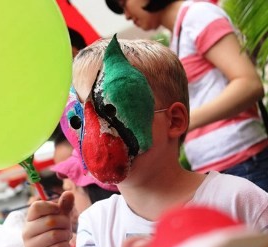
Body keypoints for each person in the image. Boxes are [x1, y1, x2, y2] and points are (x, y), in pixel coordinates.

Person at [22, 37, 268, 247]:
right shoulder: (96, 225)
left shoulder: (240, 200)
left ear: (174, 121)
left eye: (113, 108)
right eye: (78, 120)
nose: (94, 135)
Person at [106, 0, 268, 191]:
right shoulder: (180, 33)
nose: (125, 15)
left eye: (123, 3)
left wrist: (181, 121)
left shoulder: (198, 15)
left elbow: (249, 84)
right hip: (219, 167)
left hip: (243, 160)